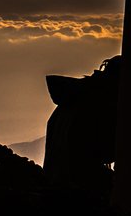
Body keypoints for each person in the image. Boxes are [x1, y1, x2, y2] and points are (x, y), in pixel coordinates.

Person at [44, 55, 123, 200]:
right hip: (74, 199)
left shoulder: (76, 99)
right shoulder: (92, 108)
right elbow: (84, 163)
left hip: (58, 194)